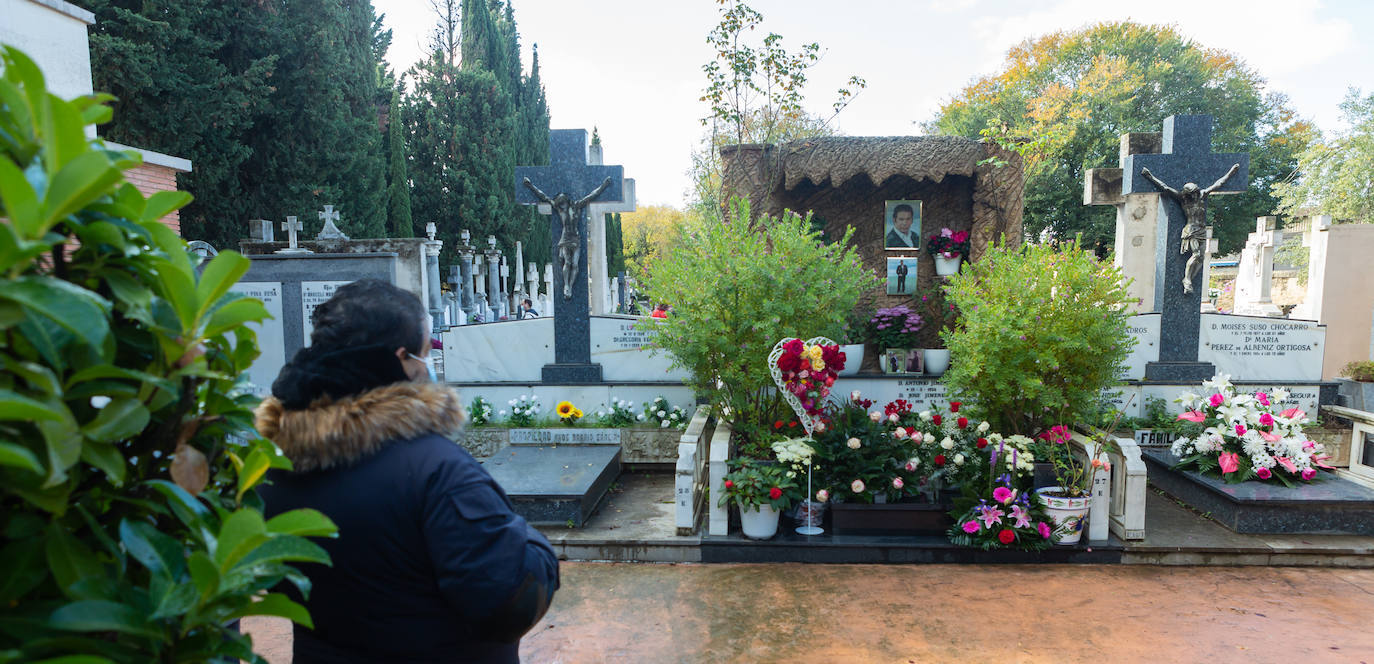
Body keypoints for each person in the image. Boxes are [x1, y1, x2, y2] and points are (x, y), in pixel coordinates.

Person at [256, 279, 558, 663]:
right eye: (426, 349)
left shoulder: (272, 467)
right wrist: (532, 544)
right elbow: (510, 600)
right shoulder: (437, 472)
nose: (429, 360)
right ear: (401, 359)